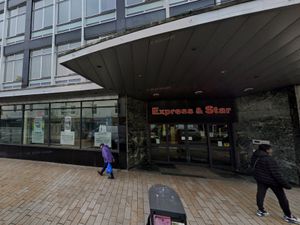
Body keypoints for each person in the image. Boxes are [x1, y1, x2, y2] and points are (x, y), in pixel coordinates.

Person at [251, 144, 300, 224]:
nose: (272, 150)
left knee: (260, 194)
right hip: (273, 181)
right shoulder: (269, 159)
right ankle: (288, 216)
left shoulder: (255, 156)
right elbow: (276, 174)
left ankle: (261, 211)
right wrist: (286, 185)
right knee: (282, 198)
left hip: (261, 179)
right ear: (266, 150)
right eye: (270, 149)